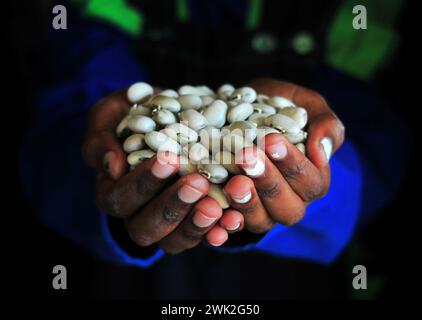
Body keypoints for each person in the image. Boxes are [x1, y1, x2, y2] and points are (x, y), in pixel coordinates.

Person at [20, 0, 410, 297]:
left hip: (301, 281)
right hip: (111, 278)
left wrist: (317, 176)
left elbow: (380, 144)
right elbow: (69, 85)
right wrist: (107, 168)